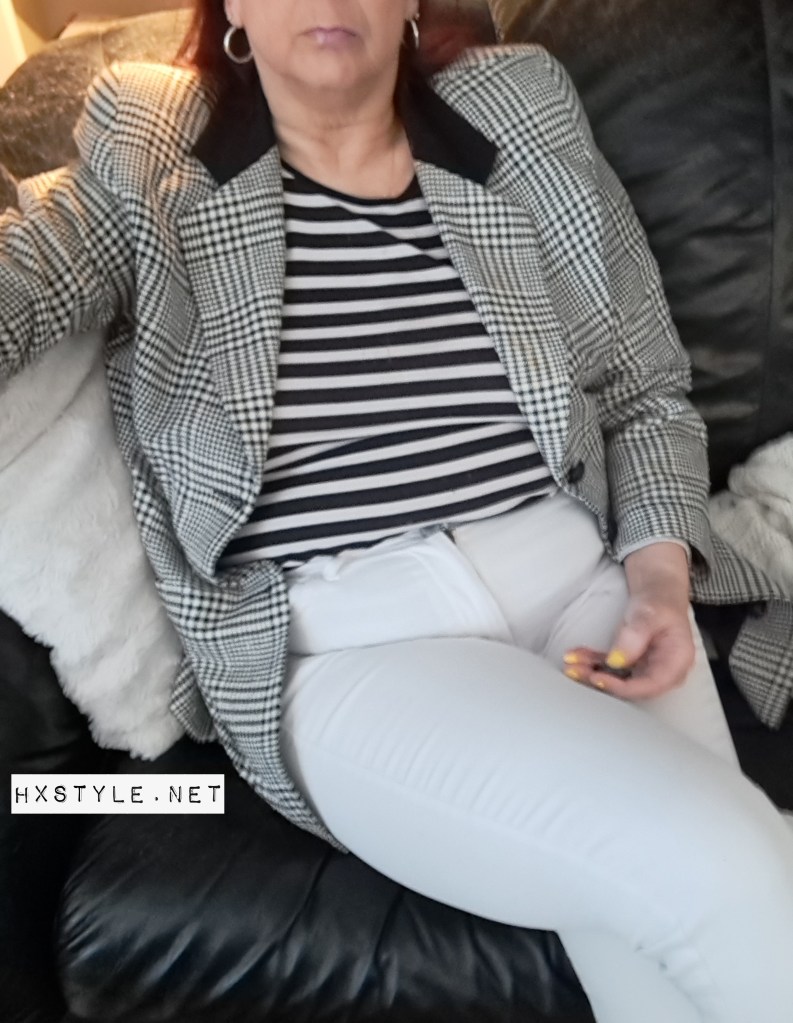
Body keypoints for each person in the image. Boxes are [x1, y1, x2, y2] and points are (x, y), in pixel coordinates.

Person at [1, 1, 791, 1020]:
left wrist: (657, 578)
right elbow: (25, 291)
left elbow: (643, 388)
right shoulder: (149, 143)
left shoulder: (518, 107)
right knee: (728, 864)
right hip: (366, 646)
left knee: (669, 955)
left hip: (588, 597)